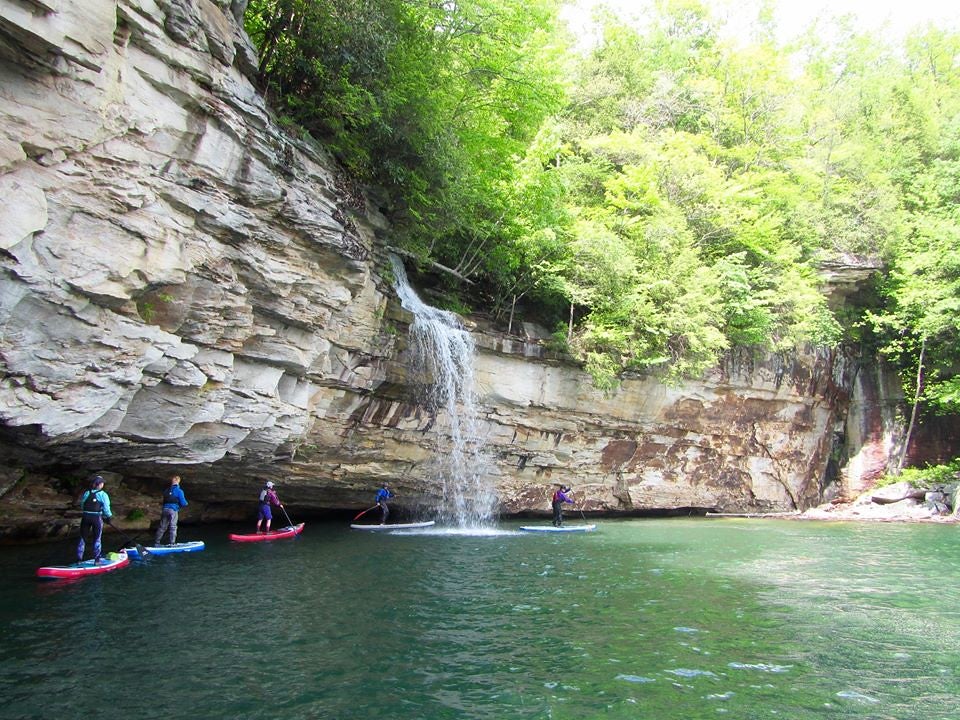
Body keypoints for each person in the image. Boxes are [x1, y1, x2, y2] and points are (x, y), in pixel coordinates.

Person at [77, 475, 113, 564]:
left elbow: (82, 505)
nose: (103, 484)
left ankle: (78, 560)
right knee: (97, 539)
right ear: (100, 484)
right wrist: (108, 517)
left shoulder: (87, 493)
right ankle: (97, 560)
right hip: (96, 518)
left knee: (82, 538)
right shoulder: (103, 494)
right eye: (102, 483)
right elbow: (106, 508)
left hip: (85, 517)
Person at [154, 474, 188, 546]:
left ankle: (157, 543)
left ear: (172, 481)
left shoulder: (166, 490)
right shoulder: (179, 491)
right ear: (178, 481)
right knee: (173, 527)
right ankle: (172, 543)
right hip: (173, 510)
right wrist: (185, 504)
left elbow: (165, 500)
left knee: (162, 527)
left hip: (165, 509)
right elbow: (183, 503)